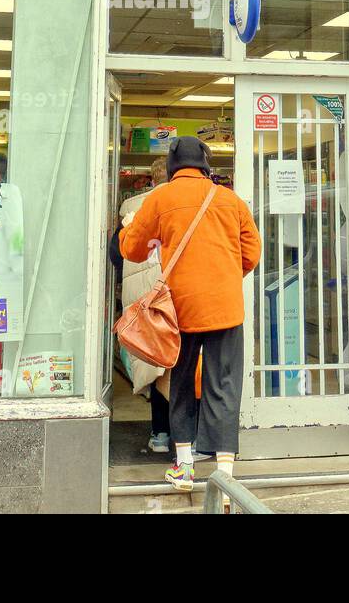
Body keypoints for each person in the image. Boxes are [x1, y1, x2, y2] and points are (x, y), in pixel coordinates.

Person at [120, 136, 260, 494]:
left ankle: (184, 467)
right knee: (224, 385)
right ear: (206, 165)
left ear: (171, 165)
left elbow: (133, 250)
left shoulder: (161, 198)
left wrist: (128, 227)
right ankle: (225, 473)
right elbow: (252, 254)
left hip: (178, 310)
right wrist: (225, 278)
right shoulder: (230, 200)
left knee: (179, 383)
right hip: (225, 307)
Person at [109, 157, 171, 453]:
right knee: (180, 365)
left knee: (153, 362)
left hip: (143, 299)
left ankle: (160, 433)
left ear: (151, 178)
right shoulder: (186, 205)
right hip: (175, 295)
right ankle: (188, 436)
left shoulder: (132, 208)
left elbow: (115, 254)